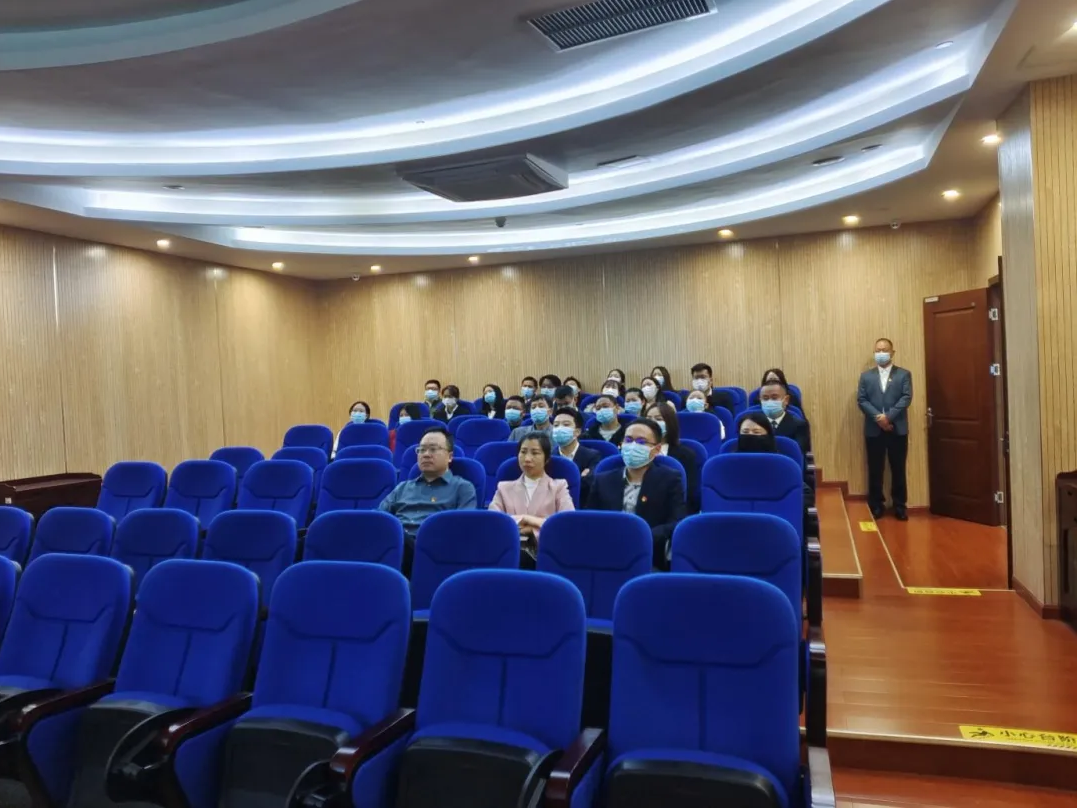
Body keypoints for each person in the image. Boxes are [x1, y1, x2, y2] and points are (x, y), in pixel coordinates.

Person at [585, 418, 686, 569]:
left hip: (649, 554)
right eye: (628, 440)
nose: (633, 446)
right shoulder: (603, 480)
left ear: (656, 449)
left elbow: (676, 521)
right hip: (606, 552)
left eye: (641, 442)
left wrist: (641, 536)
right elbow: (590, 518)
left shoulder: (670, 479)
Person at [379, 426, 477, 576]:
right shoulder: (403, 487)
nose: (426, 454)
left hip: (434, 550)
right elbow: (378, 518)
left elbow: (464, 528)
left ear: (450, 456)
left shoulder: (463, 488)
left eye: (433, 449)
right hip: (395, 545)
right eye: (421, 450)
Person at [857, 338, 912, 521]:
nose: (881, 353)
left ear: (892, 352)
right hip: (874, 429)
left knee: (898, 468)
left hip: (897, 428)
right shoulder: (866, 376)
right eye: (878, 350)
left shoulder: (903, 374)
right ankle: (876, 505)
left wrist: (888, 417)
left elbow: (906, 398)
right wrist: (878, 418)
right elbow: (862, 400)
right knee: (875, 469)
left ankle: (900, 506)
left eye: (884, 350)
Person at [489, 431, 574, 548]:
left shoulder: (559, 487)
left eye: (535, 453)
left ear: (547, 459)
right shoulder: (504, 488)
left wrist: (530, 525)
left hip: (547, 548)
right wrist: (534, 522)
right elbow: (493, 521)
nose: (527, 459)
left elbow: (568, 523)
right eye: (523, 452)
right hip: (509, 547)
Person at [644, 401, 699, 513]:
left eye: (658, 419)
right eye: (648, 419)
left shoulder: (685, 455)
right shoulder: (634, 451)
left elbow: (689, 496)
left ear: (670, 423)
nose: (652, 423)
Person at [551, 407, 601, 500]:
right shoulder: (548, 457)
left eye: (566, 424)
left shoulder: (592, 456)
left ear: (577, 432)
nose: (559, 429)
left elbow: (589, 486)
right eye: (556, 425)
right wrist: (578, 478)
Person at [759, 379, 811, 456]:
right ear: (760, 400)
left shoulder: (799, 425)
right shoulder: (754, 424)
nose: (769, 401)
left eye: (774, 398)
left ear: (786, 400)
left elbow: (798, 453)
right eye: (765, 398)